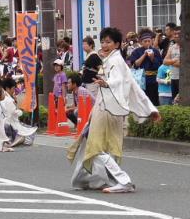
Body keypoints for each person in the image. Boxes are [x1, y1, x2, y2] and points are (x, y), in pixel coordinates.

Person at [67, 27, 160, 193]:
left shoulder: (115, 61)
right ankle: (91, 180)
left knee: (95, 145)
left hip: (108, 110)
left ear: (117, 44)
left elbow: (118, 81)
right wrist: (150, 108)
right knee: (99, 144)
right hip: (106, 108)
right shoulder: (111, 59)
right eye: (102, 42)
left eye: (108, 42)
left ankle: (122, 181)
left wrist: (107, 83)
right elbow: (132, 85)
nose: (104, 45)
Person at [127, 28, 162, 107]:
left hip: (153, 80)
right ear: (141, 42)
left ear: (152, 41)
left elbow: (158, 65)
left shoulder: (155, 51)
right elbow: (135, 65)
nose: (147, 43)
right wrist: (144, 55)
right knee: (142, 101)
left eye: (149, 41)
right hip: (141, 79)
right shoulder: (136, 51)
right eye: (145, 41)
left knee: (154, 101)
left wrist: (152, 58)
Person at [0, 78, 37, 146]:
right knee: (30, 134)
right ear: (7, 88)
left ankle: (13, 139)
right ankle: (16, 140)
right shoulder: (8, 99)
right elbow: (14, 113)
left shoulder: (1, 97)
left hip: (1, 125)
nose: (14, 91)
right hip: (9, 125)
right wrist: (20, 110)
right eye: (13, 89)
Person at [164, 35, 180, 101]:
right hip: (173, 77)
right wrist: (174, 61)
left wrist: (170, 62)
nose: (176, 36)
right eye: (175, 34)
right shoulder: (172, 47)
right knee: (175, 100)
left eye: (178, 33)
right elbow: (165, 61)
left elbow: (182, 63)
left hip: (183, 78)